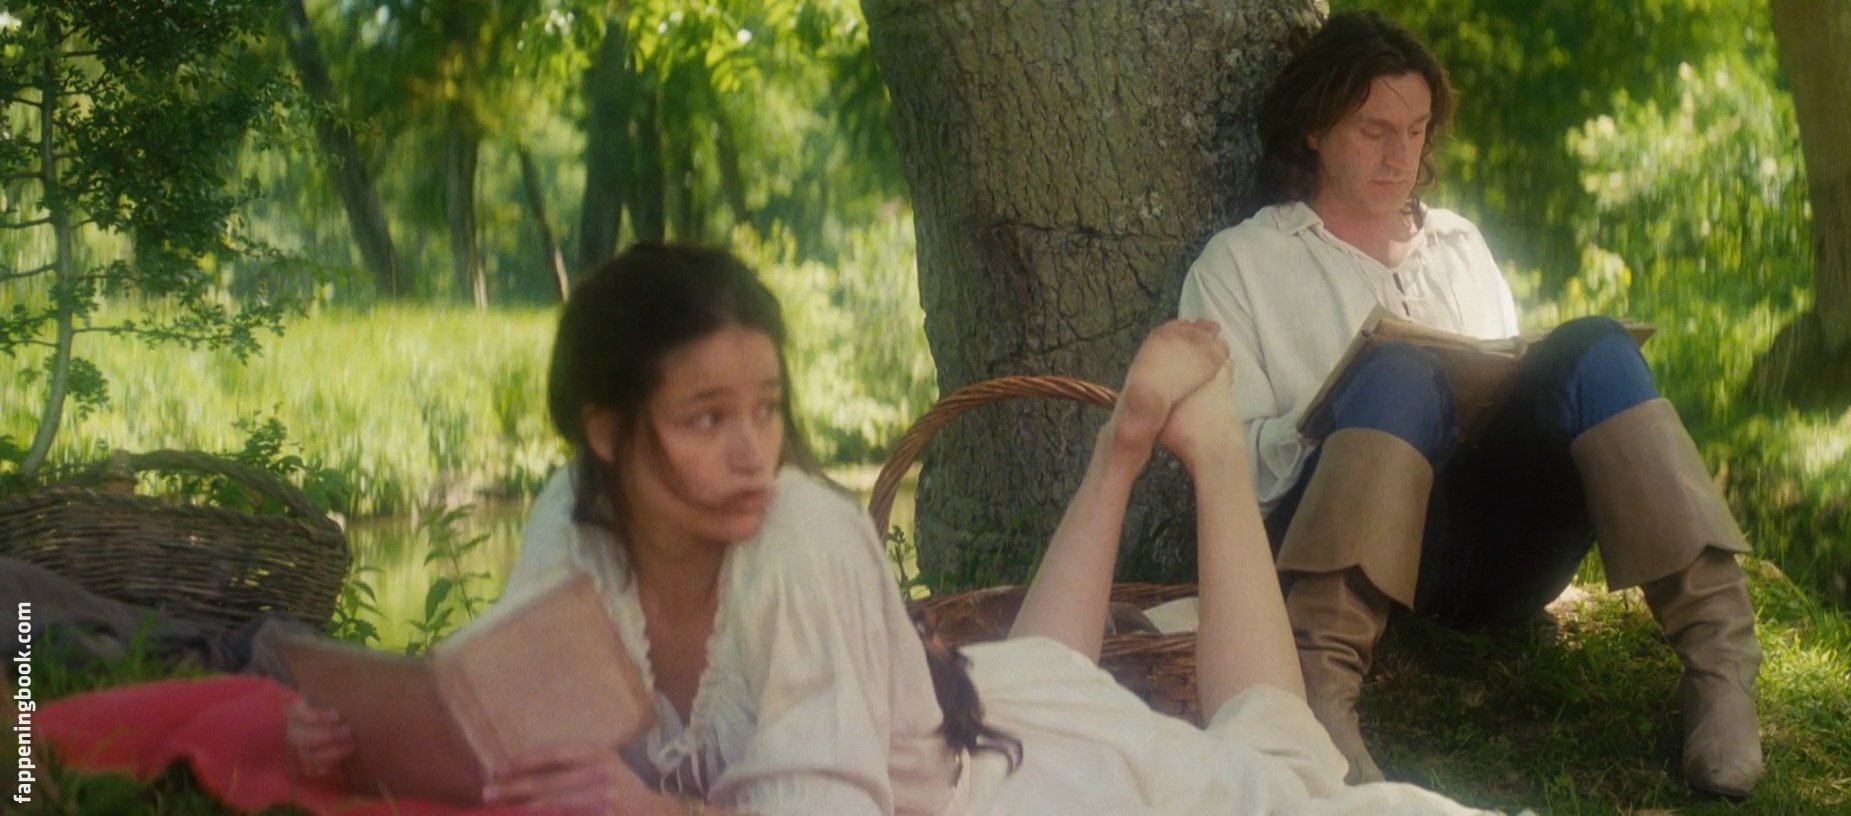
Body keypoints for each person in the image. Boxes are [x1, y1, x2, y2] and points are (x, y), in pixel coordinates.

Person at [290, 243, 1490, 814]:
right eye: (706, 419)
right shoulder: (573, 514)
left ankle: (1208, 447)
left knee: (1280, 774)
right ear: (606, 434)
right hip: (969, 703)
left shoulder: (802, 540)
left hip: (1014, 795)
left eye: (765, 409)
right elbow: (505, 706)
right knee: (1044, 673)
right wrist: (362, 735)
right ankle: (1122, 447)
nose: (751, 451)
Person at [1176, 9, 1762, 798]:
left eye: (1415, 131)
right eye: (1374, 130)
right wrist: (1344, 413)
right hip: (1334, 552)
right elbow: (1225, 466)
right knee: (1397, 372)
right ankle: (1319, 694)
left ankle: (1721, 671)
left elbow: (1511, 382)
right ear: (1313, 128)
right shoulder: (1242, 264)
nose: (1400, 155)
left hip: (1494, 556)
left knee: (1596, 347)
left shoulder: (1458, 244)